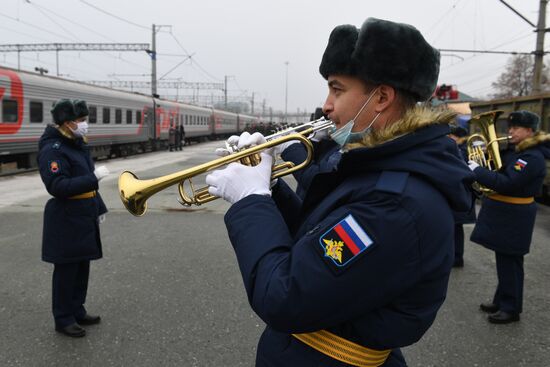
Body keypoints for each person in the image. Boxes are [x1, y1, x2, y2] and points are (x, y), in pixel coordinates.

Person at [205, 18, 474, 366]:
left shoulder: (393, 204)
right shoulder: (380, 165)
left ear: (381, 97)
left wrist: (250, 201)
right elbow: (315, 238)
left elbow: (284, 296)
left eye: (337, 89)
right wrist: (270, 186)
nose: (327, 105)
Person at [469, 110, 550, 324]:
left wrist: (477, 170)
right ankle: (501, 299)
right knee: (504, 259)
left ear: (530, 131)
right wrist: (483, 154)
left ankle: (511, 308)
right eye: (511, 127)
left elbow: (507, 183)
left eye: (516, 128)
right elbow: (501, 171)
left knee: (510, 261)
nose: (510, 131)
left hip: (515, 215)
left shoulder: (532, 157)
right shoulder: (519, 152)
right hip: (507, 213)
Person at [37, 99, 110, 337]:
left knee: (81, 267)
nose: (85, 125)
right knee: (66, 271)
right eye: (81, 121)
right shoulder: (53, 149)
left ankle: (77, 310)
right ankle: (63, 318)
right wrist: (94, 177)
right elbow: (58, 185)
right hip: (66, 219)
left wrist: (98, 207)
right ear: (67, 123)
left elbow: (88, 184)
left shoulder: (77, 145)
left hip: (83, 215)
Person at [448, 125, 477, 267]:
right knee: (455, 227)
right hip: (459, 194)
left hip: (461, 194)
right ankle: (456, 256)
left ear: (457, 137)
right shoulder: (463, 148)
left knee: (456, 228)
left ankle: (457, 257)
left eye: (450, 136)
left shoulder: (463, 151)